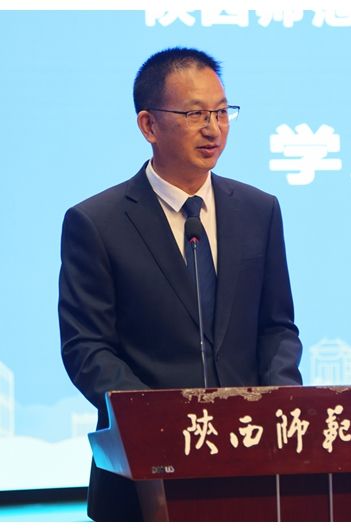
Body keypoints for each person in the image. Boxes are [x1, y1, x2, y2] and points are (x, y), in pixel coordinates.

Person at [58, 47, 303, 521]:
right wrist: (157, 419)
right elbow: (86, 348)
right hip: (143, 474)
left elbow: (277, 327)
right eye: (195, 114)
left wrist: (280, 406)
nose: (213, 128)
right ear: (148, 125)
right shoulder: (97, 223)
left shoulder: (259, 210)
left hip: (253, 463)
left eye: (221, 112)